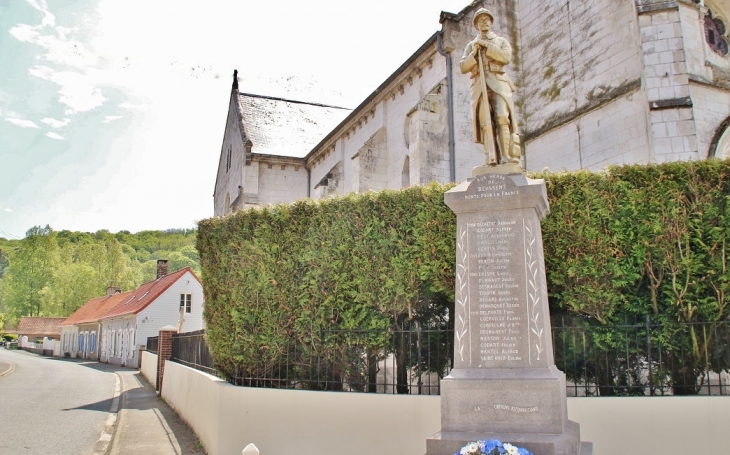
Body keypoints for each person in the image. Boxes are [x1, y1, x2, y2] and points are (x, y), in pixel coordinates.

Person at [460, 8, 521, 166]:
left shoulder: (500, 41)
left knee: (502, 117)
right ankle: (490, 158)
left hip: (498, 83)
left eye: (487, 19)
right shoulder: (471, 46)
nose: (484, 22)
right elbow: (463, 67)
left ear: (491, 22)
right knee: (485, 122)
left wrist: (486, 45)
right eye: (481, 20)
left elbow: (505, 57)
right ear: (476, 25)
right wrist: (474, 53)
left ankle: (506, 156)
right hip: (480, 86)